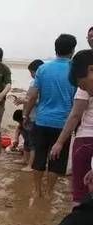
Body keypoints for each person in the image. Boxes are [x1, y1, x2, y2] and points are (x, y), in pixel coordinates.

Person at [24, 34, 77, 198]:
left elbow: (32, 96)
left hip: (42, 120)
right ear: (73, 50)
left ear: (56, 49)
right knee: (57, 161)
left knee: (39, 156)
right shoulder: (75, 70)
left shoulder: (43, 69)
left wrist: (26, 114)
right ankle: (48, 192)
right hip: (63, 123)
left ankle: (37, 189)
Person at [50, 49, 93, 205]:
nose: (87, 91)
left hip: (85, 140)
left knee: (80, 195)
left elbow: (75, 115)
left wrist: (60, 142)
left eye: (83, 85)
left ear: (90, 69)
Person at [12, 59, 44, 171]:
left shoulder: (43, 83)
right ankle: (25, 160)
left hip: (36, 117)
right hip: (28, 115)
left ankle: (31, 165)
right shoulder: (33, 82)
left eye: (32, 72)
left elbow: (37, 101)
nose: (31, 74)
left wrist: (24, 101)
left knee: (33, 142)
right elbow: (29, 98)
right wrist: (24, 111)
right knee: (26, 139)